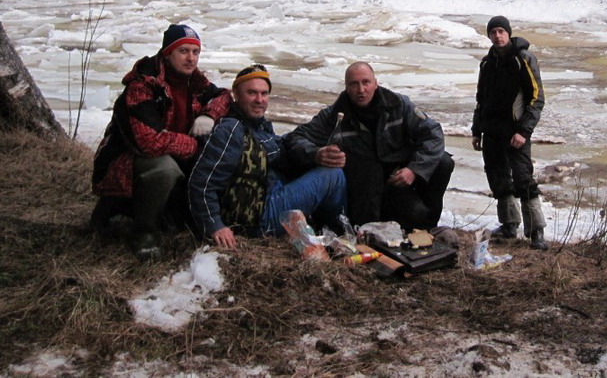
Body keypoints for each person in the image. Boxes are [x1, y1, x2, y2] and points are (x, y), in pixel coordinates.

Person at [90, 23, 233, 261]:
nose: (191, 58)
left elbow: (224, 96)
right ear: (167, 53)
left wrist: (209, 115)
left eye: (195, 52)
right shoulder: (142, 87)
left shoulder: (194, 82)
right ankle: (144, 232)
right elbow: (149, 142)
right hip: (126, 161)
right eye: (183, 51)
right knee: (165, 170)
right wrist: (195, 145)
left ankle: (172, 215)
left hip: (172, 153)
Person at [283, 61, 454, 233]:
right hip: (364, 187)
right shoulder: (334, 116)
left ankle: (430, 227)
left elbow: (433, 134)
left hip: (398, 177)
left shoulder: (398, 105)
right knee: (415, 213)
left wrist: (414, 169)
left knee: (443, 162)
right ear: (346, 87)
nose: (361, 90)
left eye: (366, 82)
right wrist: (316, 154)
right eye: (354, 84)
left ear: (375, 83)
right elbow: (295, 138)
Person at [188, 65, 346, 248]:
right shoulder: (231, 130)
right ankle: (341, 234)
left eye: (264, 94)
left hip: (269, 195)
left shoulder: (260, 125)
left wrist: (315, 154)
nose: (259, 100)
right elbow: (201, 183)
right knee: (333, 176)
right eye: (252, 93)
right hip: (258, 217)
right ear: (236, 94)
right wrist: (215, 226)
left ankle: (323, 229)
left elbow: (284, 149)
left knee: (322, 163)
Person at [471, 15, 548, 250]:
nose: (497, 36)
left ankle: (536, 231)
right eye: (493, 32)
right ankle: (509, 225)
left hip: (516, 132)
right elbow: (481, 99)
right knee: (498, 178)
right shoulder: (487, 63)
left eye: (501, 31)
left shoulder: (522, 58)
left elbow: (536, 98)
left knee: (524, 178)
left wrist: (524, 131)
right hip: (492, 130)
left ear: (508, 33)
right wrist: (476, 130)